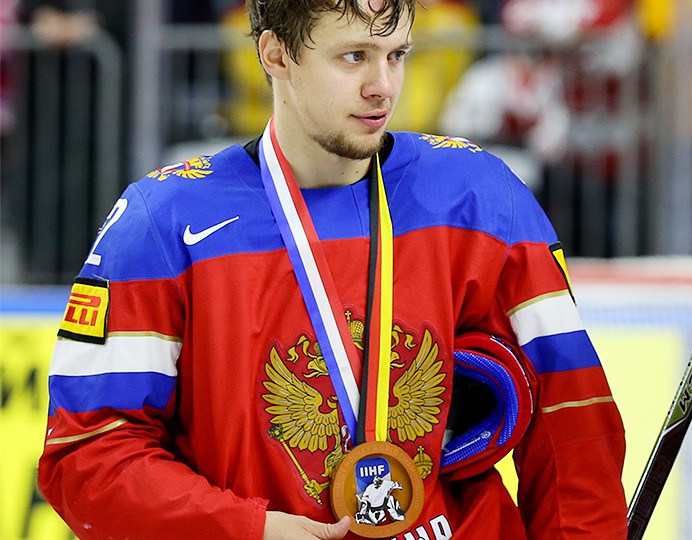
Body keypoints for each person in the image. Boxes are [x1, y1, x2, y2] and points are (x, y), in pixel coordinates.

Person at [37, 1, 628, 538]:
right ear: (276, 55)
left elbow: (572, 422)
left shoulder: (482, 200)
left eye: (396, 54)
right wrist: (247, 530)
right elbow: (88, 453)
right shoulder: (163, 222)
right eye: (354, 57)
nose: (383, 86)